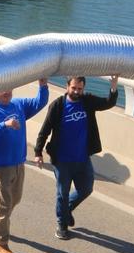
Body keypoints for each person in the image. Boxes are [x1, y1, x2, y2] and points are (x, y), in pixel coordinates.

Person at [34, 76, 119, 240]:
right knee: (62, 194)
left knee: (86, 189)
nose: (76, 91)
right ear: (67, 86)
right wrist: (38, 153)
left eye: (80, 89)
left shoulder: (87, 101)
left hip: (82, 159)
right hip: (62, 161)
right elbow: (44, 131)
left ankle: (67, 210)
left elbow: (108, 103)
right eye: (73, 88)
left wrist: (113, 86)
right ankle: (61, 224)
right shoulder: (58, 106)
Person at [0, 79, 49, 253]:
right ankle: (0, 243)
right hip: (0, 167)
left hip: (18, 162)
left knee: (15, 199)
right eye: (2, 89)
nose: (7, 91)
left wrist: (43, 85)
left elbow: (40, 103)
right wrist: (4, 125)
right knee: (4, 206)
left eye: (9, 87)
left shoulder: (18, 105)